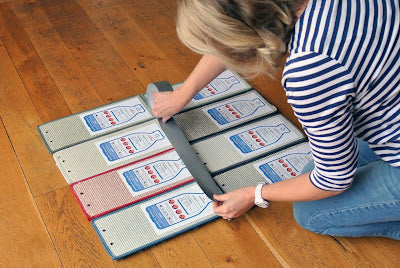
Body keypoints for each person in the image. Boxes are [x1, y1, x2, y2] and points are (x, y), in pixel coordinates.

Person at [152, 0, 400, 240]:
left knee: (311, 212)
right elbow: (240, 22)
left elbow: (333, 180)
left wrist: (255, 194)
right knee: (311, 173)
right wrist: (183, 94)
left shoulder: (309, 72)